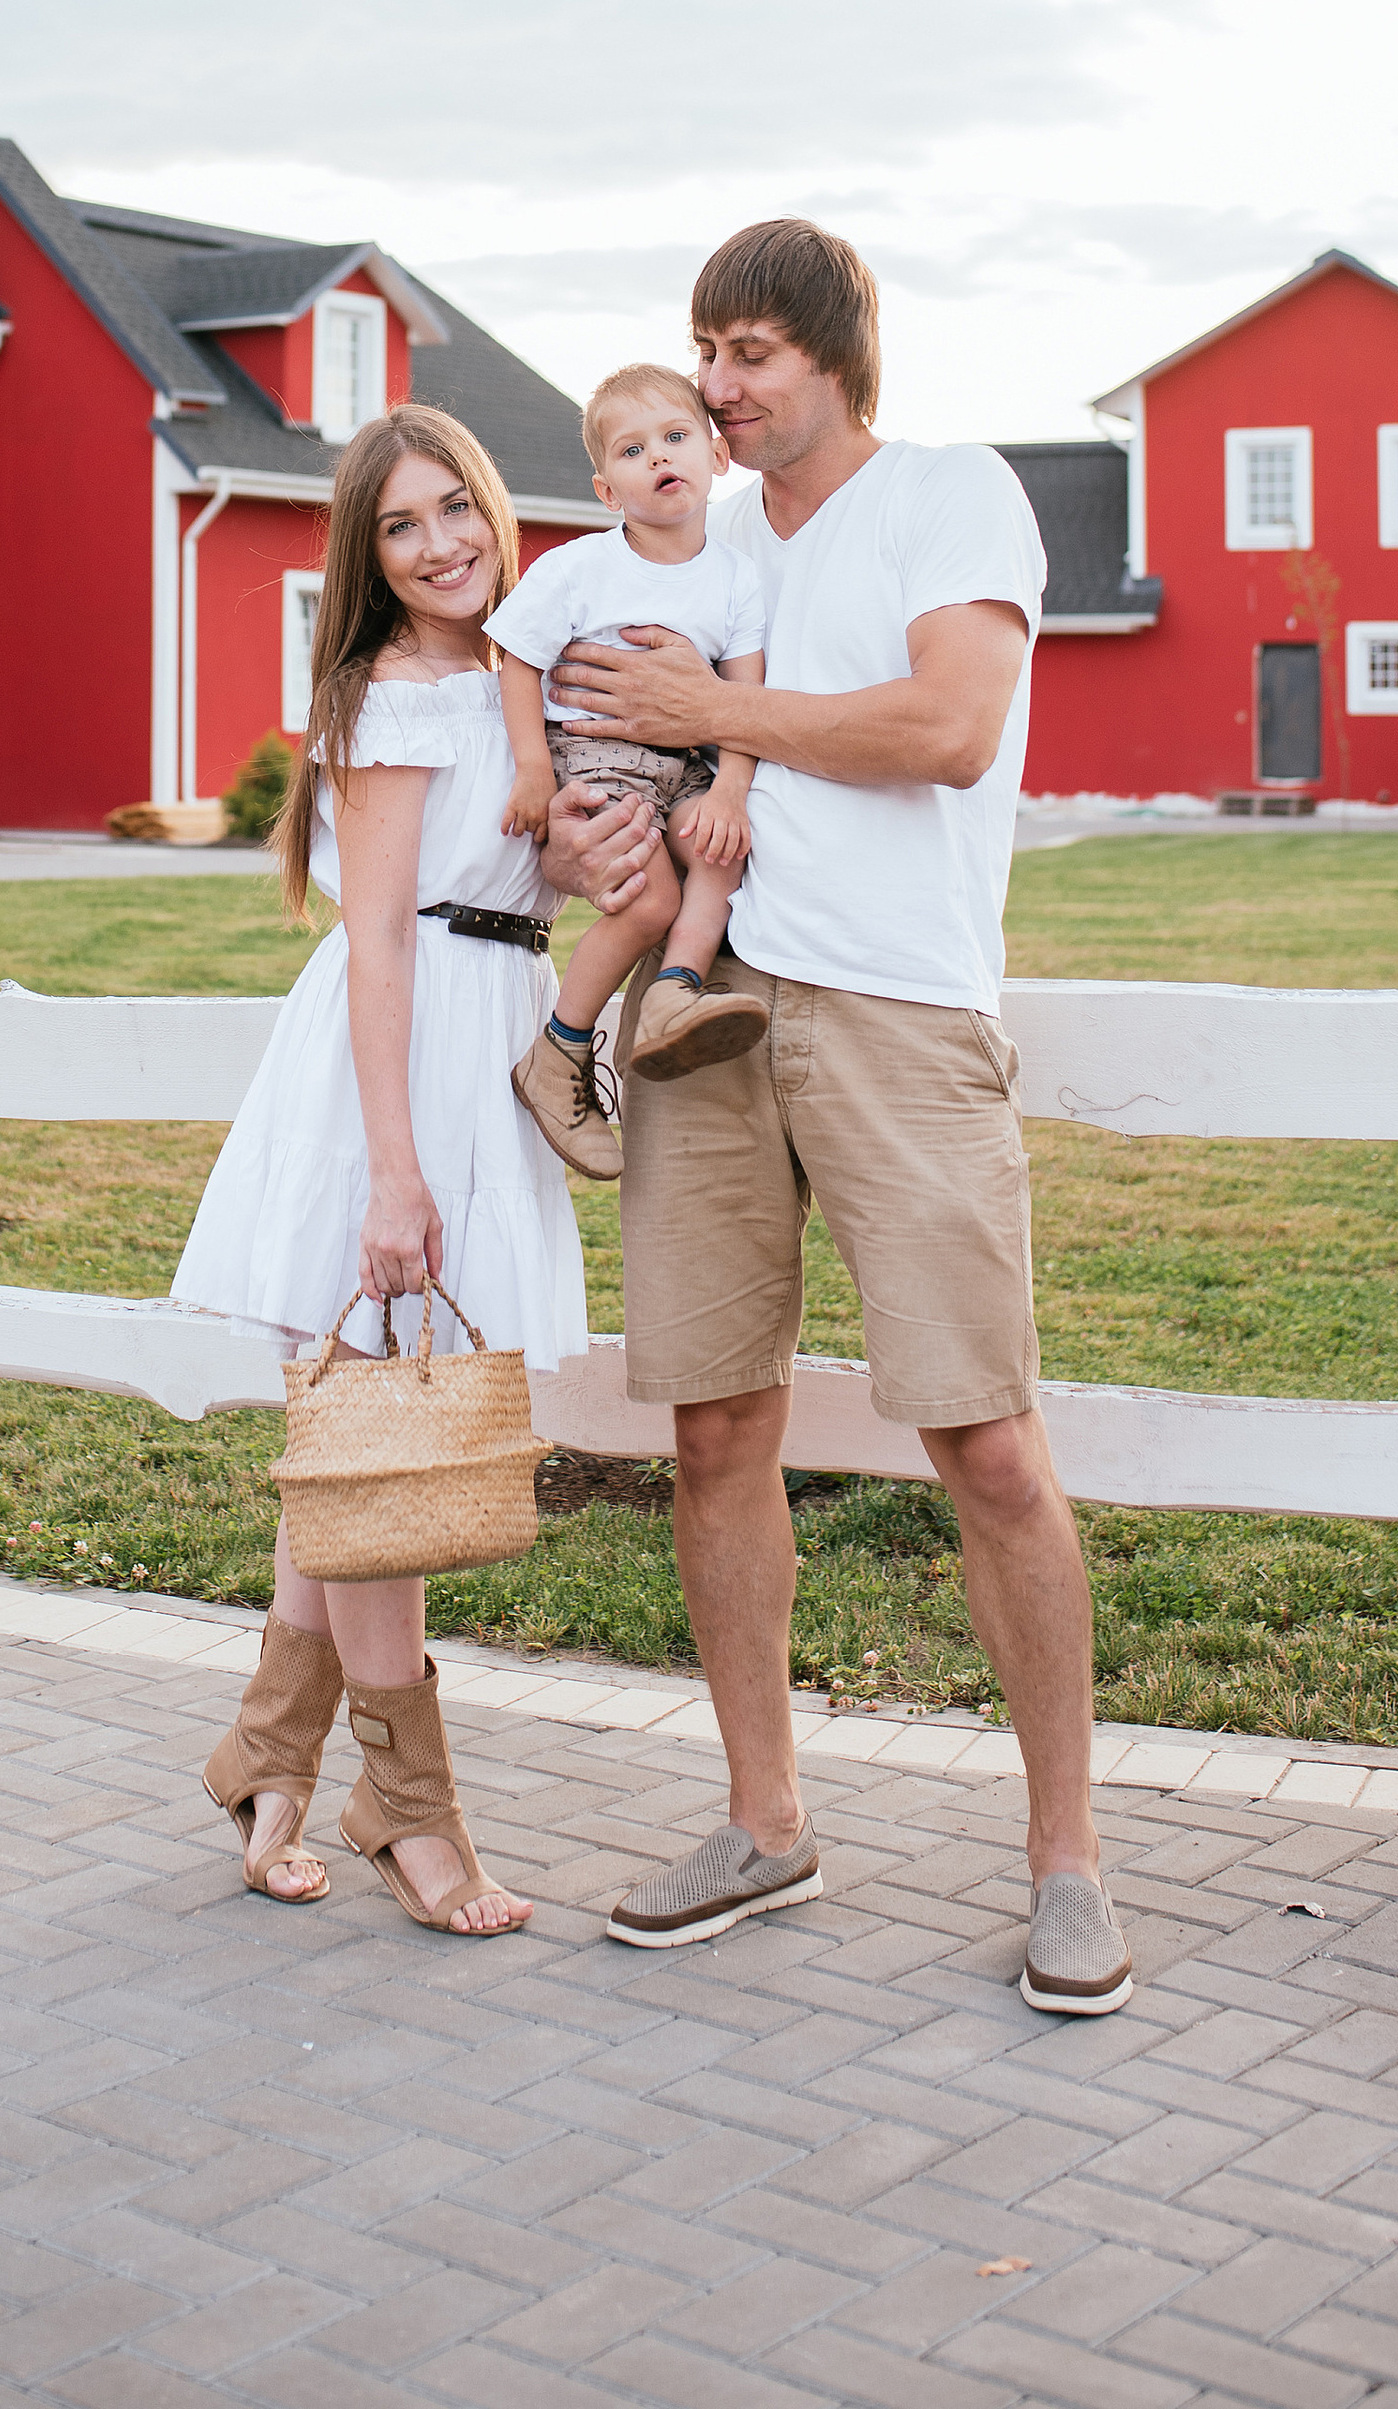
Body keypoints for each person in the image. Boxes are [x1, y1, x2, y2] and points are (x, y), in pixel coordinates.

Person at [547, 219, 1130, 2017]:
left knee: (989, 1443)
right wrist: (584, 814)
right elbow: (598, 715)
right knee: (714, 1429)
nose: (714, 386)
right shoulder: (704, 542)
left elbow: (950, 727)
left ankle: (1068, 1864)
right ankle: (765, 1823)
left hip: (902, 1018)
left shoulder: (949, 497)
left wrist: (718, 708)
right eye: (703, 350)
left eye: (749, 352)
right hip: (712, 1010)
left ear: (833, 358)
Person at [171, 401, 588, 1936]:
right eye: (400, 526)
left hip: (486, 1040)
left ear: (495, 508)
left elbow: (540, 878)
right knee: (380, 1455)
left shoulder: (522, 679)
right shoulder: (389, 697)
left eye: (455, 508)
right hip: (396, 1071)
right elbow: (379, 947)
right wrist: (394, 1176)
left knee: (356, 1443)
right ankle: (410, 1810)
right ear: (369, 554)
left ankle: (268, 1766)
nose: (439, 544)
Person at [486, 364, 770, 1183]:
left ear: (718, 456)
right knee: (650, 900)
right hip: (598, 753)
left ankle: (676, 992)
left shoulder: (737, 578)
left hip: (688, 761)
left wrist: (730, 791)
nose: (660, 457)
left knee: (718, 849)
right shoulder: (579, 568)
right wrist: (533, 769)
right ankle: (559, 1051)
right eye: (633, 450)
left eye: (677, 437)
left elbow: (743, 699)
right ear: (609, 491)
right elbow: (515, 659)